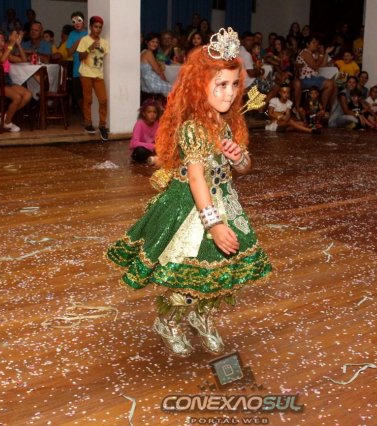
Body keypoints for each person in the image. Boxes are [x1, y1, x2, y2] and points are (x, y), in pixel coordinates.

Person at [106, 28, 272, 358]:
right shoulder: (194, 127)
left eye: (234, 84)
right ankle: (169, 322)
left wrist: (239, 157)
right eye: (221, 85)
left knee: (218, 271)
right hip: (191, 208)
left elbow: (243, 168)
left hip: (223, 200)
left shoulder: (226, 122)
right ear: (199, 85)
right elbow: (196, 179)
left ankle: (202, 315)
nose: (229, 93)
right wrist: (214, 224)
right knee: (186, 272)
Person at [0, 30, 31, 132]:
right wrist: (11, 44)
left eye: (2, 40)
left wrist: (18, 44)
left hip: (7, 81)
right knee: (17, 97)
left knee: (28, 95)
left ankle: (5, 117)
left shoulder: (7, 54)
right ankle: (7, 122)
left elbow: (24, 59)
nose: (0, 43)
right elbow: (1, 60)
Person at [77, 16, 109, 141]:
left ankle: (102, 125)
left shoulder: (104, 42)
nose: (98, 29)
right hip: (86, 73)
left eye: (100, 27)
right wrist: (89, 48)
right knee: (88, 99)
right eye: (96, 27)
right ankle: (88, 123)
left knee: (103, 100)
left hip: (98, 74)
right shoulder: (84, 40)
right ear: (91, 27)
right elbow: (80, 57)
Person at [293, 35, 336, 119]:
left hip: (313, 78)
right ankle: (322, 110)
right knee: (330, 83)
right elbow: (315, 66)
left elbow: (322, 66)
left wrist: (325, 53)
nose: (316, 44)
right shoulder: (305, 52)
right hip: (305, 79)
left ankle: (325, 109)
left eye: (317, 43)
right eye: (313, 42)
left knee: (334, 84)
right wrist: (321, 54)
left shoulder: (314, 54)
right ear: (307, 44)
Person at [66, 11, 88, 113]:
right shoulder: (72, 34)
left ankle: (88, 116)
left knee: (87, 94)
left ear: (83, 21)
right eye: (74, 21)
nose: (77, 23)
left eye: (79, 20)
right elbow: (69, 52)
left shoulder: (89, 33)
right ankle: (85, 114)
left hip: (88, 69)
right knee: (78, 95)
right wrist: (79, 41)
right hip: (76, 70)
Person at [140, 33, 172, 97]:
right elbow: (159, 71)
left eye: (157, 42)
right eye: (152, 42)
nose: (155, 44)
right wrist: (166, 81)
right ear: (146, 42)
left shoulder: (143, 52)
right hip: (152, 83)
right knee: (176, 89)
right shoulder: (148, 53)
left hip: (145, 84)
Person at [130, 99, 160, 165]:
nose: (152, 115)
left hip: (153, 149)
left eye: (154, 112)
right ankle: (153, 158)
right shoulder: (139, 124)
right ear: (144, 114)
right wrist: (151, 146)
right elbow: (134, 143)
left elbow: (160, 139)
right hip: (142, 150)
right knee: (140, 151)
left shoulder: (157, 124)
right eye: (149, 112)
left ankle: (153, 158)